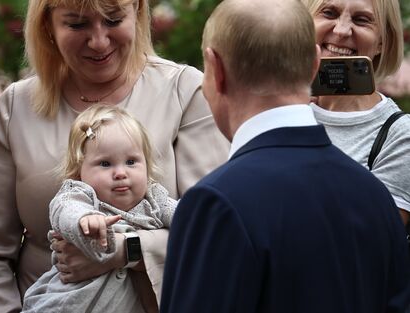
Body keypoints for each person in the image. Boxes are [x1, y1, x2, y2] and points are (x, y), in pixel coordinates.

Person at [0, 0, 229, 312]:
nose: (98, 41)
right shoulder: (16, 106)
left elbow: (212, 234)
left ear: (137, 11)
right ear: (47, 25)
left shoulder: (185, 91)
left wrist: (126, 250)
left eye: (113, 20)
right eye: (77, 24)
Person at [160, 0, 410, 312]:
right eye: (329, 13)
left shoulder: (215, 203)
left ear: (216, 70)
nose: (343, 29)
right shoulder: (373, 195)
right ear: (315, 65)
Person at [21, 105, 177, 313]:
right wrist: (84, 219)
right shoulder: (80, 195)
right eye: (105, 164)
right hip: (70, 304)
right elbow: (64, 209)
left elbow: (189, 218)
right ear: (78, 171)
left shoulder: (155, 198)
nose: (120, 173)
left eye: (131, 162)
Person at [301, 0, 410, 225]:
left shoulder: (399, 135)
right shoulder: (278, 110)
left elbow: (368, 241)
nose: (341, 31)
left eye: (362, 20)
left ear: (382, 41)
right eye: (329, 13)